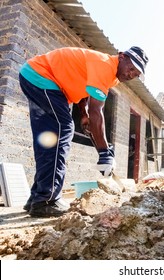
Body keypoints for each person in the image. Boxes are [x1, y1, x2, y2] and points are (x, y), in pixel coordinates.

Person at [19, 46, 148, 217]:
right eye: (131, 68)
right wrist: (104, 152)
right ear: (122, 57)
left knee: (49, 139)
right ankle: (46, 200)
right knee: (63, 130)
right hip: (43, 77)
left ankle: (37, 197)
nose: (131, 74)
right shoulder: (106, 66)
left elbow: (86, 94)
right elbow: (98, 112)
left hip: (35, 76)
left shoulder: (111, 75)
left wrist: (84, 114)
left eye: (136, 74)